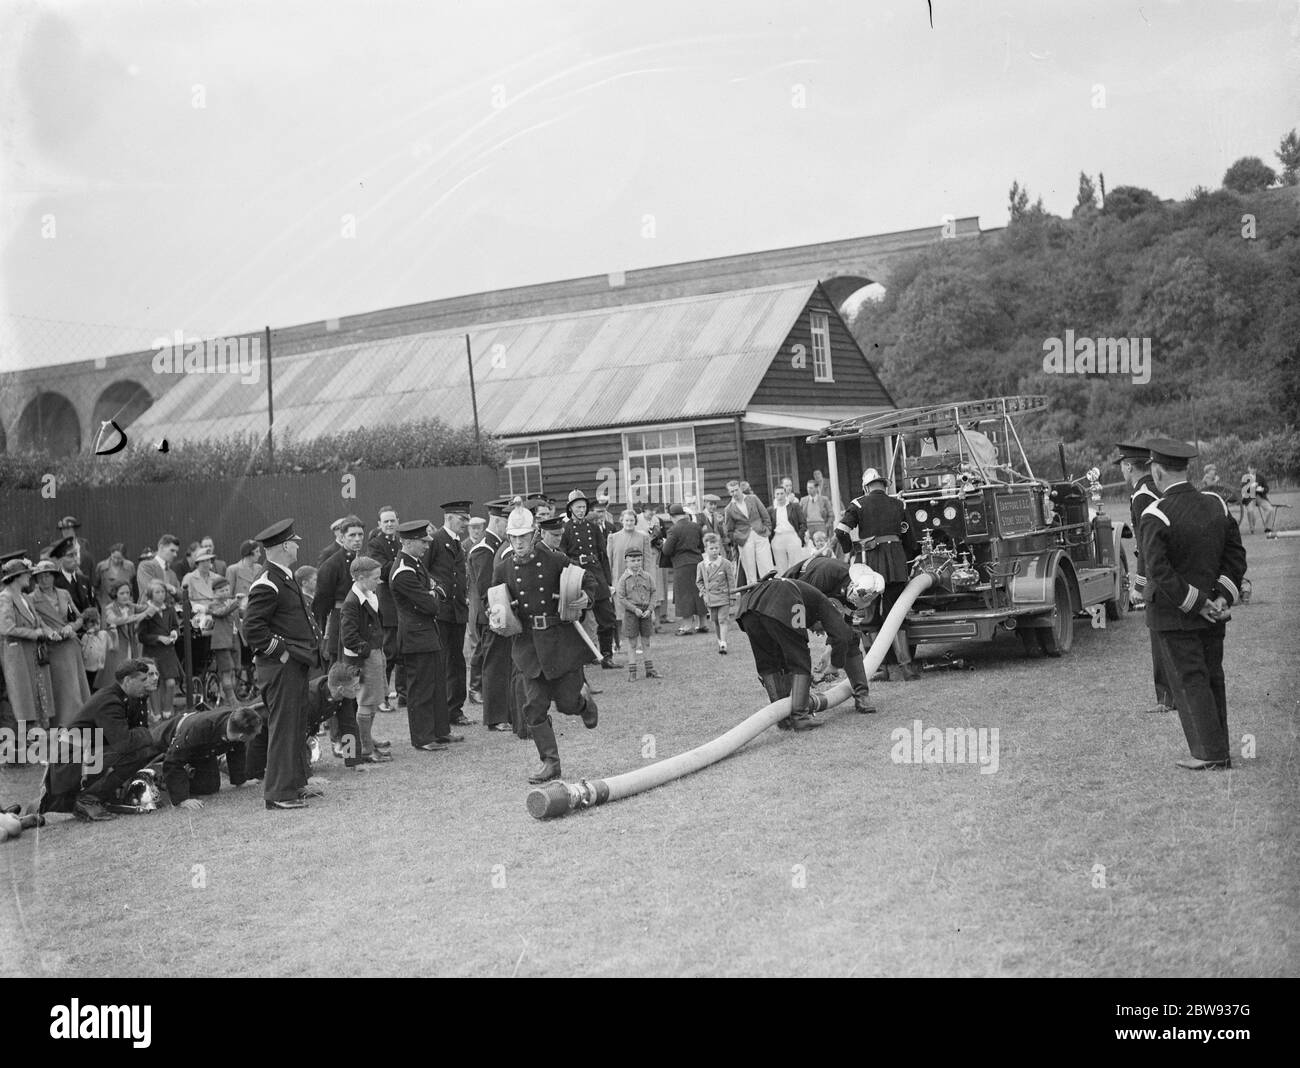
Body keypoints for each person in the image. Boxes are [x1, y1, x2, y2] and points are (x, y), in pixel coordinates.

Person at [1140, 438, 1247, 770]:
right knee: (1212, 676)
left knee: (1190, 679)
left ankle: (1209, 753)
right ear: (1187, 469)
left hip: (1176, 615)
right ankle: (1219, 749)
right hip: (1214, 611)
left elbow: (1158, 570)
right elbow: (1236, 558)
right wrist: (1220, 598)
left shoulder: (1155, 512)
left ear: (1157, 472)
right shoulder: (1216, 504)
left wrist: (1196, 603)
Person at [489, 505, 600, 783]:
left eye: (523, 537)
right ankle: (551, 763)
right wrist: (496, 615)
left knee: (565, 704)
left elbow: (587, 579)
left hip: (559, 643)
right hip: (527, 647)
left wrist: (586, 597)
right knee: (534, 708)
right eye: (513, 538)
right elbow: (492, 600)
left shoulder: (554, 559)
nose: (518, 543)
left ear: (534, 534)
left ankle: (583, 704)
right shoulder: (503, 567)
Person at [242, 518, 321, 811]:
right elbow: (252, 630)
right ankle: (277, 793)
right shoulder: (268, 581)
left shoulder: (282, 575)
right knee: (283, 728)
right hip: (281, 666)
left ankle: (295, 784)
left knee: (296, 725)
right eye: (295, 541)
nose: (298, 545)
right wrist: (282, 652)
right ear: (285, 545)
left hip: (295, 664)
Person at [37, 658, 161, 821]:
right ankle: (87, 799)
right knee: (134, 753)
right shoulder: (110, 701)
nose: (147, 683)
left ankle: (100, 795)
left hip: (81, 758)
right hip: (69, 764)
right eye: (143, 680)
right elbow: (124, 743)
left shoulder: (125, 697)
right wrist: (147, 733)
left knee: (142, 750)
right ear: (128, 680)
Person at [835, 468, 920, 681]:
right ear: (884, 485)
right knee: (896, 614)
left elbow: (840, 531)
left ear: (866, 487)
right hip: (896, 565)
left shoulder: (858, 504)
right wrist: (904, 558)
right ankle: (906, 667)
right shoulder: (898, 504)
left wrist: (850, 549)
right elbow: (911, 541)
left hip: (869, 566)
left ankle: (881, 668)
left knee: (870, 616)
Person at [735, 574, 847, 731]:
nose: (819, 633)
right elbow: (843, 634)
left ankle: (782, 717)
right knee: (800, 657)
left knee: (768, 662)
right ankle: (800, 717)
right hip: (781, 600)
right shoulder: (825, 604)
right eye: (822, 629)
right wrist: (835, 665)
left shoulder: (805, 593)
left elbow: (785, 655)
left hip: (749, 607)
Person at [779, 555, 884, 715]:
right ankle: (792, 700)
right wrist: (814, 622)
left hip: (814, 597)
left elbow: (843, 627)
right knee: (795, 642)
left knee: (851, 637)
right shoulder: (825, 575)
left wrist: (830, 654)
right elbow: (801, 601)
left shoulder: (860, 588)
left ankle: (862, 695)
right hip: (791, 593)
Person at [1115, 441, 1176, 715]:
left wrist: (1139, 584)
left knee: (1160, 636)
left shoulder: (1142, 496)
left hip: (1156, 575)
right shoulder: (1156, 489)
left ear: (1129, 467)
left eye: (1122, 467)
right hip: (1170, 570)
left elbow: (1145, 544)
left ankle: (1166, 698)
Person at [391, 519, 461, 751]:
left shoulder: (415, 564)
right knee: (421, 688)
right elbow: (430, 604)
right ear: (409, 542)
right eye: (422, 542)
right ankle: (423, 737)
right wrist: (434, 593)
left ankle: (440, 732)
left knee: (437, 685)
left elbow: (437, 587)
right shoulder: (403, 571)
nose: (426, 546)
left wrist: (433, 592)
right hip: (415, 637)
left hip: (427, 634)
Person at [151, 704, 262, 809]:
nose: (257, 736)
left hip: (203, 751)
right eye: (255, 734)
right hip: (166, 738)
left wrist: (240, 781)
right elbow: (173, 759)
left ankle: (189, 771)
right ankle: (161, 777)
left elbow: (236, 750)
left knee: (210, 786)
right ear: (242, 736)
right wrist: (182, 799)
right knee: (174, 764)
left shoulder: (235, 726)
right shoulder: (201, 729)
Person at [339, 554, 393, 763]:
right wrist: (368, 651)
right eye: (374, 578)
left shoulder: (370, 595)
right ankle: (365, 749)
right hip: (363, 659)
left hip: (375, 654)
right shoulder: (351, 603)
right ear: (360, 578)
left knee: (373, 700)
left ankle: (366, 738)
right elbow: (349, 637)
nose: (378, 582)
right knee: (366, 702)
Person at [425, 502, 473, 726]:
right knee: (444, 662)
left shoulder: (456, 543)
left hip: (457, 611)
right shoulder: (435, 540)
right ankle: (445, 710)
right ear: (450, 518)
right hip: (442, 611)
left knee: (457, 661)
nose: (466, 523)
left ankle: (455, 709)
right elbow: (423, 571)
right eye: (462, 519)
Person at [559, 489, 619, 668]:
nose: (581, 510)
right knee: (576, 618)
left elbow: (603, 554)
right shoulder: (565, 530)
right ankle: (580, 657)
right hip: (577, 577)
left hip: (596, 574)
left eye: (583, 507)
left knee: (607, 616)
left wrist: (608, 581)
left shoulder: (593, 527)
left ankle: (607, 656)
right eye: (577, 507)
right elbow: (561, 556)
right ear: (570, 508)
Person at [29, 559, 90, 724]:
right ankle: (64, 724)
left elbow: (78, 618)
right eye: (40, 576)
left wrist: (71, 627)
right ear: (35, 579)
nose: (44, 580)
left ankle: (80, 722)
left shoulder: (64, 593)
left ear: (54, 577)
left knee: (76, 687)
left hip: (70, 645)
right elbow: (37, 621)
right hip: (52, 648)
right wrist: (49, 632)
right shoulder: (31, 598)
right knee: (62, 689)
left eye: (48, 575)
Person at [0, 558, 56, 735]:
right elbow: (5, 627)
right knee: (21, 694)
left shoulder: (24, 597)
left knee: (36, 690)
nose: (29, 576)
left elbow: (38, 621)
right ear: (16, 576)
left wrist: (48, 631)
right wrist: (34, 634)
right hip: (16, 653)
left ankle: (35, 732)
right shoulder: (5, 597)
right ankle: (23, 737)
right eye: (26, 573)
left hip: (31, 652)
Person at [467, 500, 508, 715]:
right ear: (499, 521)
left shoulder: (496, 544)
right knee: (492, 663)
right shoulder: (484, 548)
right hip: (490, 614)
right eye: (507, 523)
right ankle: (493, 712)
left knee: (497, 661)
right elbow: (486, 589)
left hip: (498, 612)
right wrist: (498, 615)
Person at [366, 506, 404, 712]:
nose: (389, 524)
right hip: (387, 605)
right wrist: (402, 565)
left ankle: (404, 694)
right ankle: (382, 697)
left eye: (392, 521)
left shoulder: (401, 542)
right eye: (385, 522)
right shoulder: (375, 544)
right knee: (388, 652)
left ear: (398, 522)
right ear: (380, 524)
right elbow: (382, 569)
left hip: (403, 605)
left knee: (404, 651)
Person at [312, 516, 364, 665]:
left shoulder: (364, 560)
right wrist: (323, 633)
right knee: (340, 670)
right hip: (341, 622)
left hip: (362, 621)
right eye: (352, 535)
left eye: (360, 534)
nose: (357, 539)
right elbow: (321, 602)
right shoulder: (331, 565)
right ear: (342, 537)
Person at [304, 661, 366, 772]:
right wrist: (305, 771)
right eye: (355, 686)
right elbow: (294, 735)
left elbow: (349, 727)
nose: (358, 689)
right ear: (341, 689)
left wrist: (354, 761)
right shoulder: (310, 698)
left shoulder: (344, 696)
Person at [661, 503, 706, 635]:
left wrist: (664, 543)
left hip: (682, 565)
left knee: (684, 595)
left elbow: (667, 550)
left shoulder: (673, 530)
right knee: (700, 592)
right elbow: (702, 547)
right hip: (698, 562)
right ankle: (702, 624)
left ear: (672, 516)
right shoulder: (696, 527)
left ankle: (686, 626)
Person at [137, 580, 181, 721]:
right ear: (150, 594)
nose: (161, 595)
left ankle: (167, 711)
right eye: (157, 592)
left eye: (163, 592)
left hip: (168, 652)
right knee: (153, 683)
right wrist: (158, 638)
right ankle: (156, 713)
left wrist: (174, 633)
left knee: (171, 683)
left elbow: (175, 625)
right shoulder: (146, 611)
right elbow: (142, 636)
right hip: (153, 653)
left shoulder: (169, 609)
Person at [100, 580, 156, 684]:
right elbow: (116, 620)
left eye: (128, 593)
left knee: (132, 673)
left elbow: (151, 609)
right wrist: (139, 616)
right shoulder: (109, 608)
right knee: (116, 675)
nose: (125, 596)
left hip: (131, 644)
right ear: (115, 594)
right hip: (116, 646)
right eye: (122, 593)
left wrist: (136, 605)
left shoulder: (130, 606)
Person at [616, 548, 659, 679]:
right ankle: (632, 672)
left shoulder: (647, 577)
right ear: (626, 561)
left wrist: (650, 609)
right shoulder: (623, 579)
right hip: (631, 614)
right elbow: (621, 597)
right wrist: (634, 609)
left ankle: (650, 670)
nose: (636, 563)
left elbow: (653, 593)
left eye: (638, 560)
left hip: (646, 612)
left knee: (646, 641)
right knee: (632, 643)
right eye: (633, 560)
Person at [723, 479, 774, 586]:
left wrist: (767, 530)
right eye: (731, 491)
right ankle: (753, 591)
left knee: (766, 564)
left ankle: (770, 587)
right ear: (729, 493)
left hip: (760, 534)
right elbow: (729, 530)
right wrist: (738, 538)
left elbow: (765, 515)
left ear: (740, 489)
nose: (734, 493)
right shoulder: (729, 509)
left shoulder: (753, 499)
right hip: (744, 539)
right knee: (750, 569)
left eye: (736, 490)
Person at [696, 533, 737, 654]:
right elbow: (699, 581)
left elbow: (731, 581)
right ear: (706, 549)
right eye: (711, 548)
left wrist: (732, 596)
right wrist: (704, 593)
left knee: (723, 619)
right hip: (710, 599)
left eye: (716, 548)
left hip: (723, 596)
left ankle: (724, 643)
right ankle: (720, 641)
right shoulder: (701, 565)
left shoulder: (726, 564)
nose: (714, 551)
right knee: (715, 621)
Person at [207, 576, 241, 706]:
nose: (226, 593)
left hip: (235, 639)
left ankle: (228, 697)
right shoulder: (213, 605)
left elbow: (240, 614)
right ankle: (232, 700)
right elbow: (221, 613)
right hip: (221, 641)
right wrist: (235, 603)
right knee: (227, 670)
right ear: (214, 593)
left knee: (236, 669)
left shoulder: (231, 603)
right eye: (221, 591)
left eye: (227, 589)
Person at [768, 484, 808, 573]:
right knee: (781, 566)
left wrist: (799, 537)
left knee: (796, 564)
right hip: (777, 537)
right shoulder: (771, 510)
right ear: (774, 495)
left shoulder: (794, 506)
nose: (780, 496)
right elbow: (769, 525)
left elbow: (803, 523)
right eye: (777, 494)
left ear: (786, 494)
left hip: (792, 535)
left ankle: (797, 583)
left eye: (782, 493)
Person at [52, 537, 96, 615]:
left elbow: (93, 605)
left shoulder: (84, 580)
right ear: (60, 560)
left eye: (76, 554)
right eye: (70, 556)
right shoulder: (55, 583)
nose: (75, 559)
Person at [137, 535, 182, 603]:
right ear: (161, 547)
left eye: (176, 552)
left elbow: (181, 596)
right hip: (149, 611)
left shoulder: (172, 573)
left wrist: (172, 589)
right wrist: (170, 588)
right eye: (172, 550)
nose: (175, 554)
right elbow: (149, 590)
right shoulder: (145, 566)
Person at [94, 544, 135, 611]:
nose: (116, 560)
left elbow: (133, 586)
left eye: (119, 558)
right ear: (111, 554)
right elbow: (96, 586)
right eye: (114, 557)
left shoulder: (130, 566)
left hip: (126, 606)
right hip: (107, 605)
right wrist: (100, 602)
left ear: (124, 557)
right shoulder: (101, 567)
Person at [1239, 465, 1276, 538]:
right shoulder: (1245, 478)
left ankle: (1268, 528)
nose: (1253, 469)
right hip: (1249, 498)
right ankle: (1252, 529)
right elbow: (1242, 489)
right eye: (1251, 468)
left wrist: (1262, 489)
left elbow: (1267, 488)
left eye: (1255, 468)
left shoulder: (1260, 477)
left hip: (1260, 497)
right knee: (1250, 511)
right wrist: (1250, 487)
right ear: (1248, 468)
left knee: (1270, 509)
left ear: (1256, 468)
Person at [55, 516, 93, 580]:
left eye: (68, 529)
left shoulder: (84, 543)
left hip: (83, 582)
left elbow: (89, 564)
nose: (65, 531)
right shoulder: (57, 546)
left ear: (74, 529)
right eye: (63, 529)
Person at [80, 608, 109, 690]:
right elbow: (84, 655)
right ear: (85, 626)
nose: (96, 627)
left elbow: (108, 649)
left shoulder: (102, 634)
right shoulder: (85, 637)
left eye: (98, 624)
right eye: (92, 625)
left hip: (99, 668)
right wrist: (89, 639)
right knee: (90, 687)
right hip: (88, 669)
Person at [801, 479, 834, 545]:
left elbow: (831, 515)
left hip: (821, 526)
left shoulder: (824, 499)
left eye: (811, 488)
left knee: (822, 545)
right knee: (809, 546)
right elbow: (800, 516)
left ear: (816, 488)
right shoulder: (803, 500)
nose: (809, 489)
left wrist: (827, 525)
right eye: (808, 487)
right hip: (808, 526)